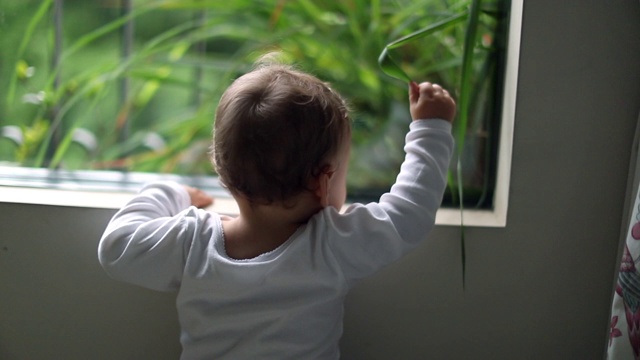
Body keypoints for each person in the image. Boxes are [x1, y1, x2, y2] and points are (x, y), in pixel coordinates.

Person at [98, 60, 456, 359]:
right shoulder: (331, 245)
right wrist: (431, 127)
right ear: (323, 183)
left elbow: (116, 245)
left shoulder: (193, 242)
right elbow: (409, 212)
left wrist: (170, 193)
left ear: (222, 169)